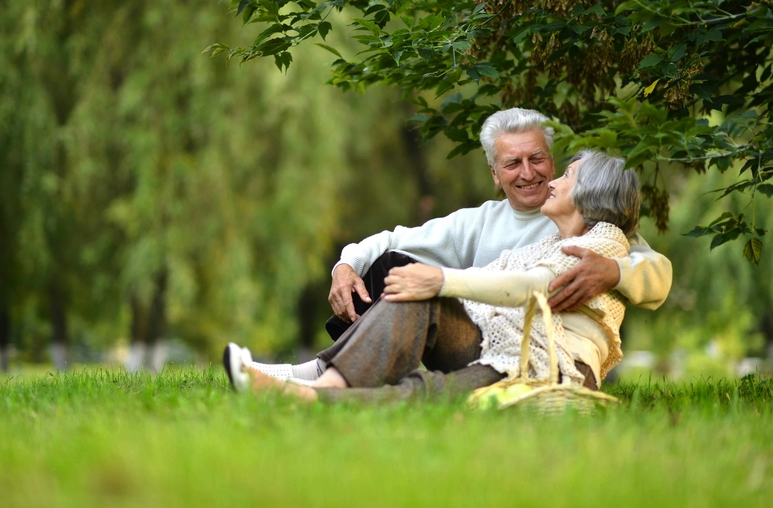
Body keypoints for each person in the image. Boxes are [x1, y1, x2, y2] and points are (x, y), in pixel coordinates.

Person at [235, 108, 670, 382]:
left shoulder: (593, 221)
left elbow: (658, 273)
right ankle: (325, 372)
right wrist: (344, 266)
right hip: (472, 334)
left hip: (526, 350)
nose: (528, 173)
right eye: (512, 163)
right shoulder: (479, 221)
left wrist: (614, 272)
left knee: (419, 289)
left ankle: (321, 379)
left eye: (537, 159)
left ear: (552, 162)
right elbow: (390, 239)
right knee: (392, 265)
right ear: (495, 174)